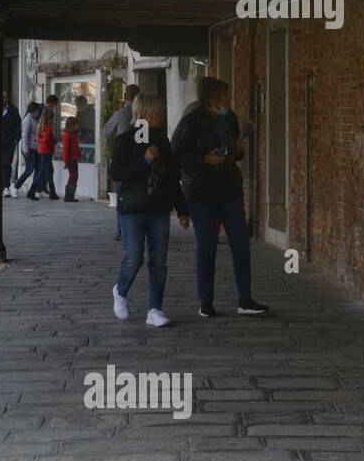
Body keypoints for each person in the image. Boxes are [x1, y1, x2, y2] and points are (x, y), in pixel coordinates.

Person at [175, 77, 269, 317]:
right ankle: (205, 302)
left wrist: (237, 150)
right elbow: (177, 155)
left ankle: (245, 299)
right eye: (225, 96)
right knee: (206, 247)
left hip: (229, 189)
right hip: (200, 193)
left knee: (240, 244)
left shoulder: (229, 118)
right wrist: (204, 159)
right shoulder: (191, 122)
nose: (229, 100)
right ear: (212, 98)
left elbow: (235, 152)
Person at [110, 94, 190, 327]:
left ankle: (155, 309)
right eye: (158, 111)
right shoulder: (124, 141)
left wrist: (182, 208)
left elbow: (172, 176)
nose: (162, 115)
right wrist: (144, 160)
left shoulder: (162, 141)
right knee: (133, 258)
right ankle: (121, 291)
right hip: (132, 208)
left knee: (158, 260)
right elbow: (117, 174)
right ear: (146, 113)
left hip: (159, 207)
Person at [104, 84, 141, 241]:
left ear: (126, 96)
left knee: (121, 195)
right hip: (141, 158)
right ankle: (139, 227)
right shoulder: (144, 114)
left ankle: (122, 230)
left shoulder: (121, 113)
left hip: (124, 159)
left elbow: (106, 131)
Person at [26, 108, 57, 201]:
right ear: (49, 118)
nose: (52, 120)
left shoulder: (41, 126)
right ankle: (31, 191)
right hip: (46, 151)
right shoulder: (48, 127)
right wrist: (53, 140)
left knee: (49, 170)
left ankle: (53, 193)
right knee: (42, 171)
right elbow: (46, 139)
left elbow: (40, 139)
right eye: (52, 118)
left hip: (43, 150)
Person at [13, 102, 40, 196]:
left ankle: (33, 190)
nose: (38, 112)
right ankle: (16, 186)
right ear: (33, 110)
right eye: (36, 110)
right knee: (29, 170)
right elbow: (24, 136)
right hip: (29, 149)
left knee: (37, 169)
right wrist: (26, 150)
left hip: (36, 148)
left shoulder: (35, 119)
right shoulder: (28, 120)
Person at [2, 92, 22, 198]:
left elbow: (18, 125)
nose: (3, 99)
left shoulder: (13, 110)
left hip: (10, 141)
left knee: (6, 163)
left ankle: (6, 186)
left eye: (4, 97)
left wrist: (16, 139)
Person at [60, 116, 82, 202]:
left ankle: (70, 195)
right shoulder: (67, 136)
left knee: (74, 176)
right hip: (70, 160)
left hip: (74, 159)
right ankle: (68, 196)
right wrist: (65, 162)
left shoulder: (74, 135)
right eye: (76, 124)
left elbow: (76, 147)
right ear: (72, 125)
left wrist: (79, 156)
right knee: (73, 176)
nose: (78, 126)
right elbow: (65, 150)